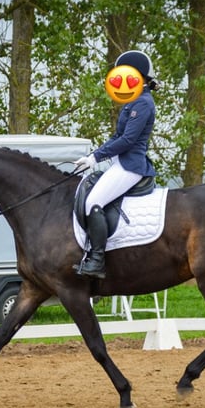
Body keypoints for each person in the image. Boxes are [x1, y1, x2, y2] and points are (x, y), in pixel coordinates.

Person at [73, 50, 158, 279]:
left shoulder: (143, 103)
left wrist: (96, 158)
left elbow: (128, 140)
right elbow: (116, 136)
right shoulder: (133, 101)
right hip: (122, 163)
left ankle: (97, 260)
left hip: (131, 166)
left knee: (93, 202)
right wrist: (92, 156)